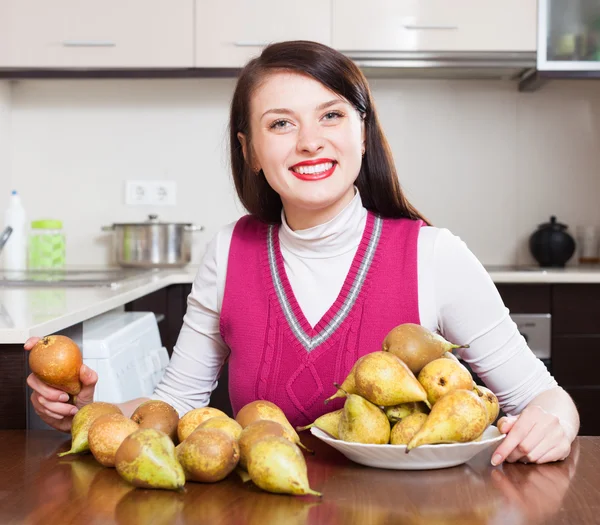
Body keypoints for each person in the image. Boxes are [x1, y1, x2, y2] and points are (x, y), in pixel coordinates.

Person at [25, 40, 579, 466]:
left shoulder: (434, 255)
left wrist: (552, 424)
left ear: (363, 132)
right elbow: (176, 406)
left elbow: (547, 400)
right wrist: (85, 412)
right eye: (281, 124)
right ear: (251, 152)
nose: (309, 140)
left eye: (331, 115)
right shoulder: (230, 251)